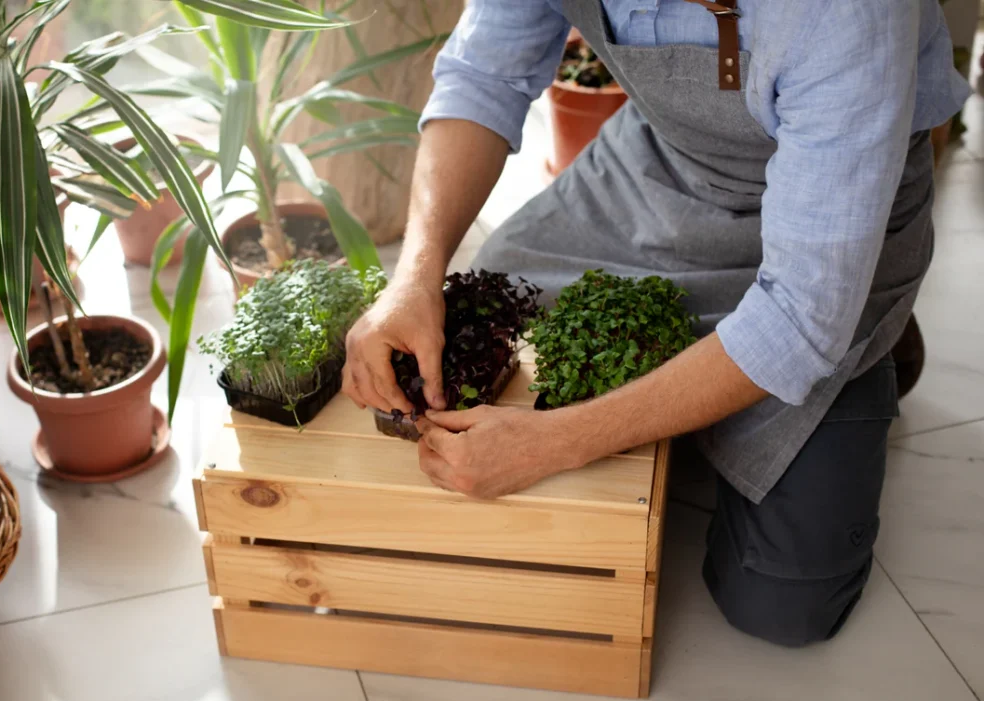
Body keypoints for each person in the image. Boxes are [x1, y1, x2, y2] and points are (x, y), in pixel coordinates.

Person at [343, 0, 971, 647]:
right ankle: (719, 379)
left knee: (782, 605)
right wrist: (414, 274)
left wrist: (552, 443)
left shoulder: (848, 11)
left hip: (839, 223)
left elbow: (799, 315)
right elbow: (484, 77)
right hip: (664, 173)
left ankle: (874, 339)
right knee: (500, 304)